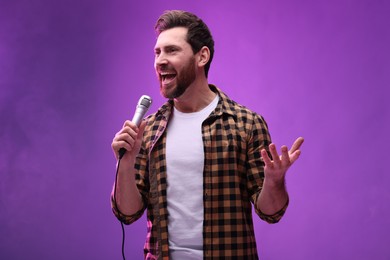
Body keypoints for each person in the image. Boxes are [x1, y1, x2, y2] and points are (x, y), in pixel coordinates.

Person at [111, 10, 304, 260]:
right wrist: (125, 163)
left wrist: (275, 180)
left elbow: (271, 212)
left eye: (171, 50)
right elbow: (127, 213)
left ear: (202, 56)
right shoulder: (147, 131)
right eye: (157, 52)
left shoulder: (246, 124)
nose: (159, 60)